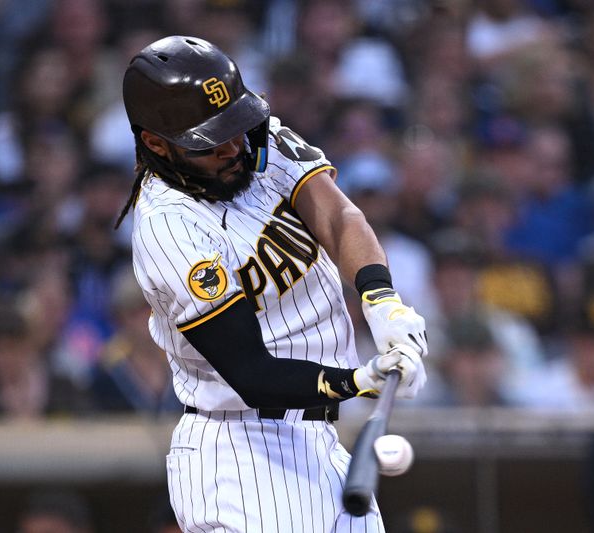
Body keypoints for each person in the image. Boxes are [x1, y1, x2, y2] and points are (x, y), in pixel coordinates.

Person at [117, 35, 428, 532]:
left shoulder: (251, 138)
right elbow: (251, 373)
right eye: (212, 142)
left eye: (236, 128)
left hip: (317, 440)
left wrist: (380, 299)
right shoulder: (168, 227)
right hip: (241, 453)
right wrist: (360, 381)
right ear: (156, 143)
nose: (235, 148)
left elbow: (337, 215)